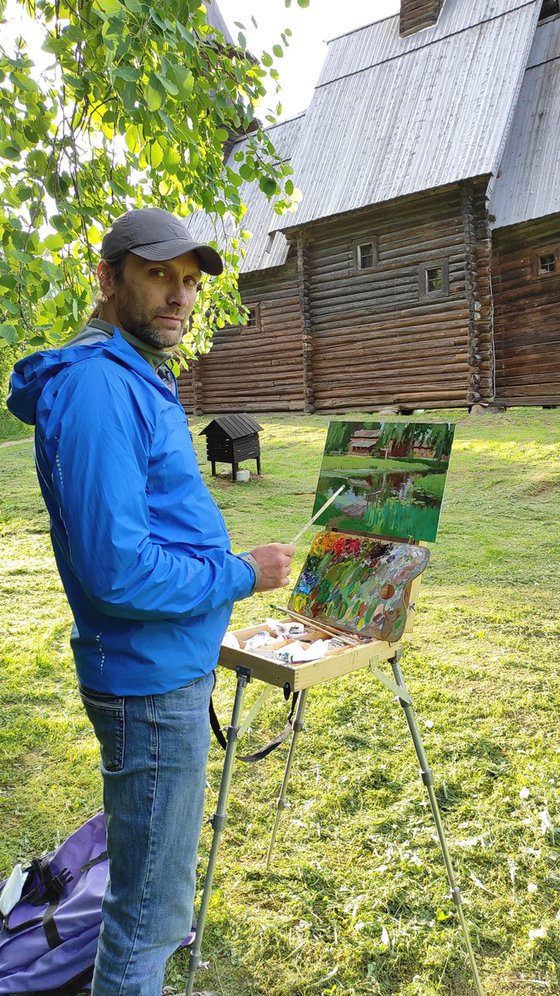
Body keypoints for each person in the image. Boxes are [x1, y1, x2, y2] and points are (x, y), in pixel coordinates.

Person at [7, 207, 295, 996]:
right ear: (107, 279)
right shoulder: (100, 386)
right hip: (150, 685)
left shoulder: (129, 373)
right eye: (158, 274)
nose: (180, 296)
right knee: (148, 920)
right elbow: (118, 571)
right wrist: (238, 574)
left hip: (160, 674)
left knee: (146, 906)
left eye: (190, 280)